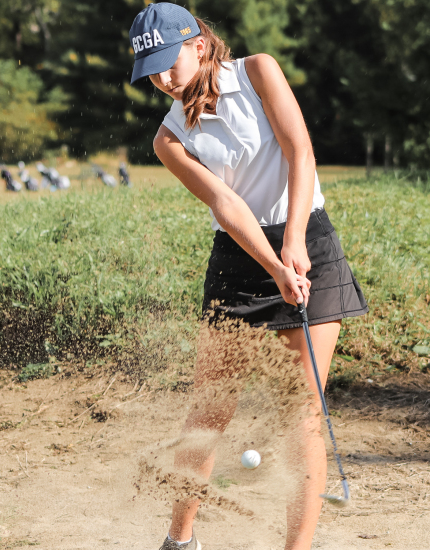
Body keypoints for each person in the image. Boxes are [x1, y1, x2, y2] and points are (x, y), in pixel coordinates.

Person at [128, 4, 369, 550]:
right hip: (241, 259)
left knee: (301, 410)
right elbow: (227, 204)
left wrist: (294, 242)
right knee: (208, 410)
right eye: (152, 74)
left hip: (309, 241)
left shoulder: (260, 70)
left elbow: (299, 153)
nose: (164, 80)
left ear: (198, 45)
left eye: (169, 63)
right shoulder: (168, 140)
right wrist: (273, 264)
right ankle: (180, 539)